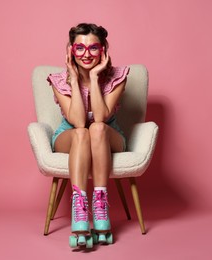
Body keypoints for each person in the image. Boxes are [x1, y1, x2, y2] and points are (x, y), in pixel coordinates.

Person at [47, 23, 129, 246]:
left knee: (97, 128)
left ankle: (100, 205)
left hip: (108, 135)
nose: (86, 54)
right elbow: (78, 121)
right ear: (71, 50)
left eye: (93, 48)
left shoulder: (117, 77)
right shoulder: (58, 80)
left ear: (103, 50)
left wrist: (94, 77)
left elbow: (100, 118)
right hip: (72, 135)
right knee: (83, 131)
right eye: (79, 48)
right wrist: (74, 79)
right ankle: (80, 207)